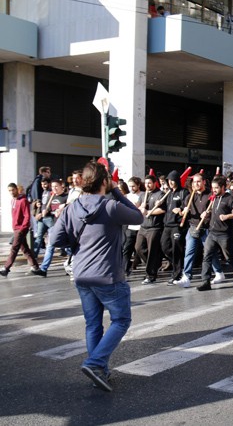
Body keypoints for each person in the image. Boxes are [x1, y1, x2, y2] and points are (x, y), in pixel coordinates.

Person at [48, 161, 144, 392]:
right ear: (104, 182)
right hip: (107, 275)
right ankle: (95, 363)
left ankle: (99, 370)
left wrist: (75, 244)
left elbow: (54, 239)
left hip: (81, 274)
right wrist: (116, 191)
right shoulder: (110, 206)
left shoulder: (72, 207)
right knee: (121, 320)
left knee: (93, 324)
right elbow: (138, 217)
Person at [178, 173, 224, 288]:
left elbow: (216, 210)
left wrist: (208, 213)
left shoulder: (211, 195)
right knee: (189, 252)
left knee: (209, 253)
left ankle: (219, 272)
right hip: (193, 227)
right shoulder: (190, 196)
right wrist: (183, 212)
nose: (196, 184)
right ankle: (186, 277)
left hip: (207, 228)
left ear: (204, 182)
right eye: (194, 182)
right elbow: (183, 210)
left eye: (198, 181)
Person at [197, 176, 233, 291]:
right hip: (212, 232)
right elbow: (212, 212)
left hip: (224, 233)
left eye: (216, 188)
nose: (214, 190)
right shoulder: (213, 198)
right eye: (213, 188)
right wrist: (206, 214)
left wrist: (228, 216)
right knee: (206, 256)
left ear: (223, 187)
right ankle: (205, 281)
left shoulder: (230, 198)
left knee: (229, 257)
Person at [0, 184, 43, 277]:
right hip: (16, 228)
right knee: (25, 249)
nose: (11, 192)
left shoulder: (23, 201)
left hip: (21, 229)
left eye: (13, 190)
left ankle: (6, 268)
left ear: (16, 189)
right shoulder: (13, 201)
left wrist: (23, 227)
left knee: (14, 248)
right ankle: (35, 267)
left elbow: (27, 215)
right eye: (9, 191)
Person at [160, 170, 189, 285]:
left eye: (172, 180)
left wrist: (181, 210)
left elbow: (187, 207)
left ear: (177, 180)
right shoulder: (168, 193)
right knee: (164, 247)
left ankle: (176, 275)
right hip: (167, 225)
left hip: (177, 226)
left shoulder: (183, 192)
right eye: (169, 180)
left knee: (177, 249)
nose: (170, 182)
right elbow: (163, 207)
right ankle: (179, 264)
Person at [136, 175, 165, 284]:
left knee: (152, 250)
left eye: (149, 183)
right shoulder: (143, 194)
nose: (147, 185)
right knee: (138, 248)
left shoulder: (160, 194)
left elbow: (162, 210)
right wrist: (140, 207)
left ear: (154, 183)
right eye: (146, 183)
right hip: (143, 226)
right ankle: (155, 264)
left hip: (154, 227)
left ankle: (150, 275)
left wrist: (149, 212)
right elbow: (137, 207)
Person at [122, 177, 143, 276]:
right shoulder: (126, 196)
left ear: (138, 185)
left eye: (133, 186)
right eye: (130, 186)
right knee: (127, 248)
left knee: (139, 248)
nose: (131, 188)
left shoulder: (143, 195)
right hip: (130, 227)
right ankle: (125, 269)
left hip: (141, 226)